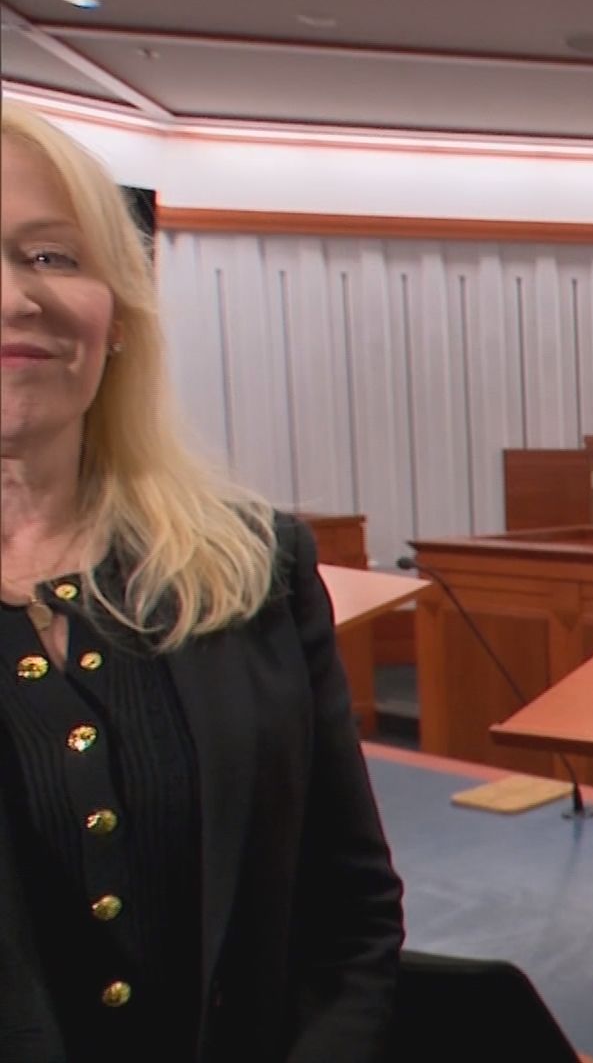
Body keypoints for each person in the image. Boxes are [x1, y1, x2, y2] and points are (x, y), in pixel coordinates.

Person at [0, 101, 404, 1062]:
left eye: (53, 256)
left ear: (118, 315)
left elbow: (349, 916)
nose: (16, 297)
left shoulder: (253, 566)